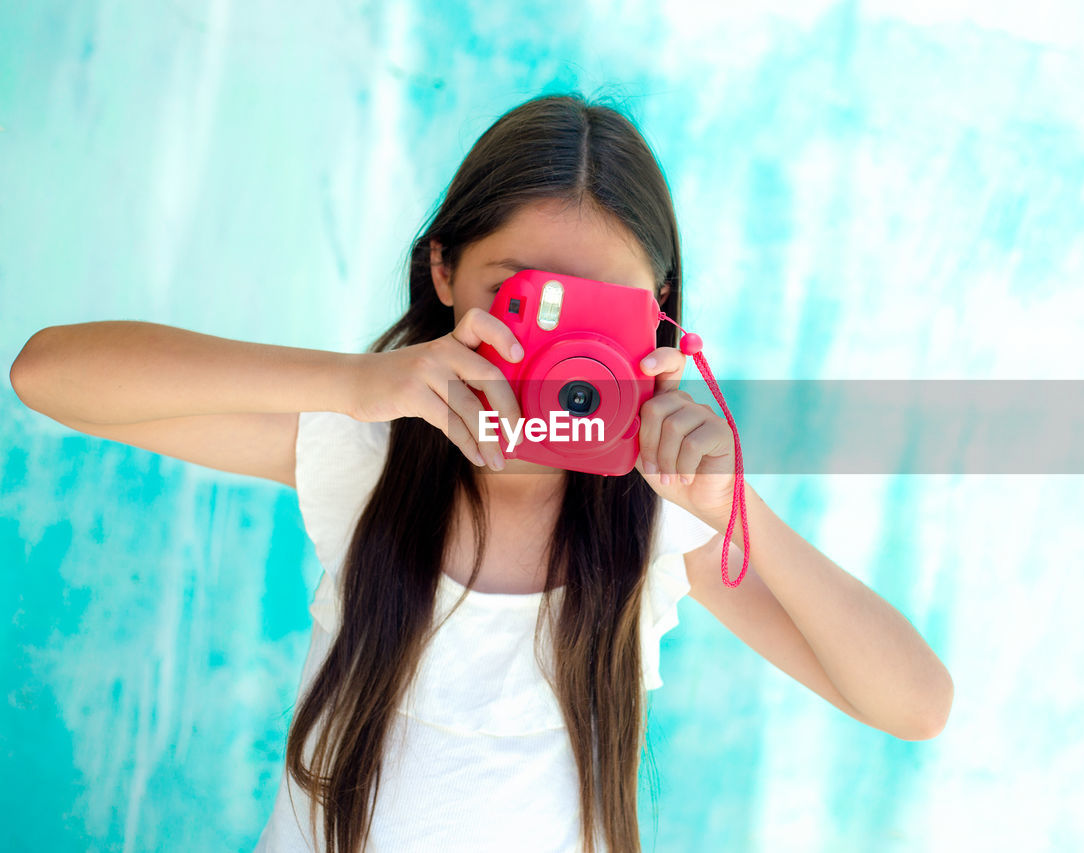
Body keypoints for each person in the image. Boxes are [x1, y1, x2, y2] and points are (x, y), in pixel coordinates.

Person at [9, 92, 953, 853]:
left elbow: (914, 703)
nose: (555, 357)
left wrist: (735, 506)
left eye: (597, 314)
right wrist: (353, 382)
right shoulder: (364, 446)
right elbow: (47, 375)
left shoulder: (658, 519)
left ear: (658, 316)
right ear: (443, 272)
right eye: (520, 297)